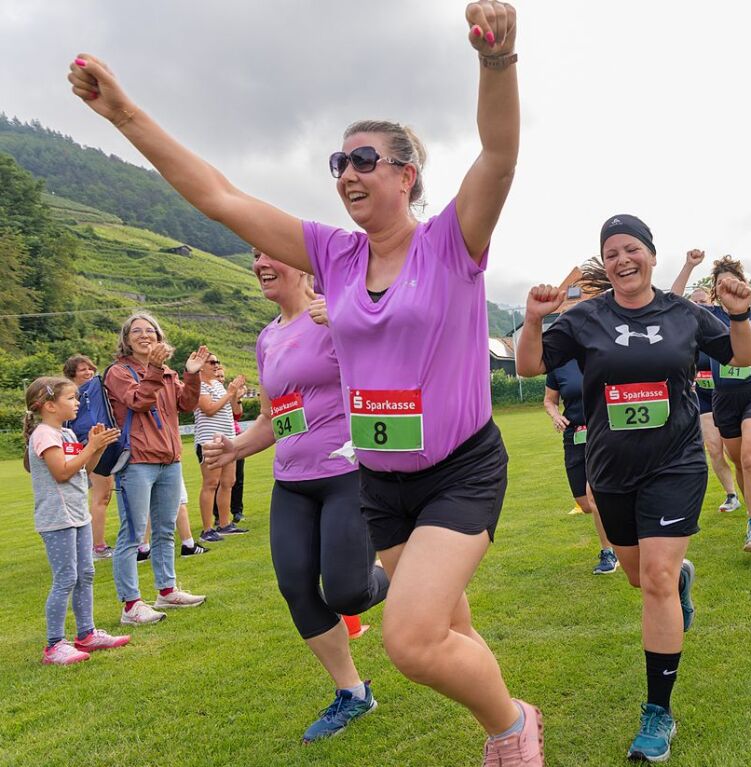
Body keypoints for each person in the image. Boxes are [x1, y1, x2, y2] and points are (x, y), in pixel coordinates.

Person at [67, 6, 543, 762]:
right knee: (448, 630)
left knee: (411, 637)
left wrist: (496, 62)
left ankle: (512, 726)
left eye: (363, 159)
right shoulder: (334, 255)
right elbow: (221, 198)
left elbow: (500, 154)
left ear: (405, 175)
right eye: (337, 163)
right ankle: (504, 715)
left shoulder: (453, 241)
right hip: (381, 480)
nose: (346, 173)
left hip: (460, 467)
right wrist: (125, 114)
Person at [517, 214, 751, 762]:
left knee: (655, 580)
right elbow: (531, 367)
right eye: (612, 252)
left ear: (651, 253)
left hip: (674, 463)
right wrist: (534, 320)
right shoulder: (584, 319)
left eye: (632, 249)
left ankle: (658, 711)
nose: (623, 259)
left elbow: (740, 357)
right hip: (611, 467)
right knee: (637, 576)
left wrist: (738, 315)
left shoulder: (684, 315)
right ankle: (680, 579)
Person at [203, 248, 389, 742]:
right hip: (292, 482)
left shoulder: (337, 313)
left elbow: (393, 361)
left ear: (304, 264)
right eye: (255, 257)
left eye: (272, 255)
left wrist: (352, 323)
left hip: (347, 470)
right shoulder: (268, 338)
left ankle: (400, 570)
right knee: (296, 587)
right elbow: (275, 418)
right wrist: (234, 449)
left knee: (348, 591)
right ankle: (353, 693)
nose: (261, 264)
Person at [674, 254, 751, 554]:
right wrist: (688, 266)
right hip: (724, 399)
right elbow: (670, 305)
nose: (727, 287)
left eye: (732, 281)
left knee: (750, 458)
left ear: (743, 283)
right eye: (720, 283)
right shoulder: (707, 317)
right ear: (714, 289)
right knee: (739, 462)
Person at [104, 313, 208, 624]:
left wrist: (190, 375)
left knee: (165, 530)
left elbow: (187, 405)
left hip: (169, 460)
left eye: (150, 330)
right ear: (126, 339)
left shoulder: (167, 372)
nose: (144, 335)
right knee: (133, 534)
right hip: (136, 461)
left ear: (159, 337)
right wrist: (153, 370)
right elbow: (138, 401)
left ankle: (167, 590)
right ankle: (131, 605)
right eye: (137, 331)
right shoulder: (118, 372)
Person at [23, 376, 131, 665]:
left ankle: (86, 634)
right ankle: (54, 645)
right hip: (57, 519)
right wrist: (90, 447)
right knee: (66, 579)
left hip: (78, 515)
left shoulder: (67, 435)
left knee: (86, 574)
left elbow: (85, 470)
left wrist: (95, 449)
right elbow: (61, 472)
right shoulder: (45, 435)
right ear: (48, 405)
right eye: (70, 398)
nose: (77, 403)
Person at [544, 360, 618, 574]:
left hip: (605, 432)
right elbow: (550, 400)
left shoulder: (600, 354)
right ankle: (624, 527)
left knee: (594, 495)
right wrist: (555, 415)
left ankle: (609, 552)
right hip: (575, 435)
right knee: (585, 503)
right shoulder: (558, 366)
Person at [688, 285, 741, 513]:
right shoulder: (689, 334)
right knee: (713, 448)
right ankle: (731, 495)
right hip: (703, 399)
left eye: (703, 302)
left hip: (727, 396)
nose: (700, 307)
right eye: (695, 304)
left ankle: (745, 480)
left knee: (733, 452)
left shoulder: (721, 329)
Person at [63, 354, 115, 559]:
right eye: (82, 369)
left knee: (104, 495)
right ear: (71, 374)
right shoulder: (70, 396)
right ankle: (97, 547)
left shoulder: (96, 388)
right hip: (89, 446)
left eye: (90, 368)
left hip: (104, 442)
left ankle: (93, 545)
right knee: (101, 495)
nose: (89, 372)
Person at [194, 354, 247, 542]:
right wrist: (230, 392)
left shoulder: (217, 384)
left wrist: (235, 396)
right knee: (211, 483)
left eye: (218, 362)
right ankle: (207, 529)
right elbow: (209, 409)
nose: (217, 365)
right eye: (212, 362)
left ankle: (224, 524)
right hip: (209, 441)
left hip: (228, 440)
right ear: (201, 367)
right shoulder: (199, 386)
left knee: (228, 482)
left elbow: (235, 412)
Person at [213, 364, 246, 524]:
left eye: (222, 377)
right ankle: (219, 515)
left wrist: (236, 397)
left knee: (237, 478)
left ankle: (237, 510)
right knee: (216, 481)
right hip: (217, 439)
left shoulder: (227, 393)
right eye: (217, 376)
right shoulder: (210, 393)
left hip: (234, 437)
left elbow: (237, 413)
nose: (220, 379)